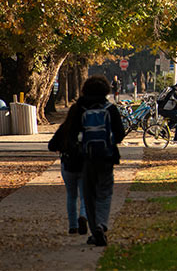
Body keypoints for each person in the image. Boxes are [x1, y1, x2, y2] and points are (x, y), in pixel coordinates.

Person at [64, 75, 125, 247]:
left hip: (86, 158)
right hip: (106, 158)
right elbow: (120, 134)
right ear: (106, 90)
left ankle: (93, 229)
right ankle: (101, 225)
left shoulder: (79, 109)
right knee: (105, 192)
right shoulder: (110, 109)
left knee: (88, 195)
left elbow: (71, 134)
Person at [47, 117, 88, 236]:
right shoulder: (88, 128)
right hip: (84, 166)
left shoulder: (64, 128)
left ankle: (73, 226)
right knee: (85, 195)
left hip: (68, 165)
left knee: (71, 196)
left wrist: (62, 147)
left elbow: (51, 146)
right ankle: (83, 216)